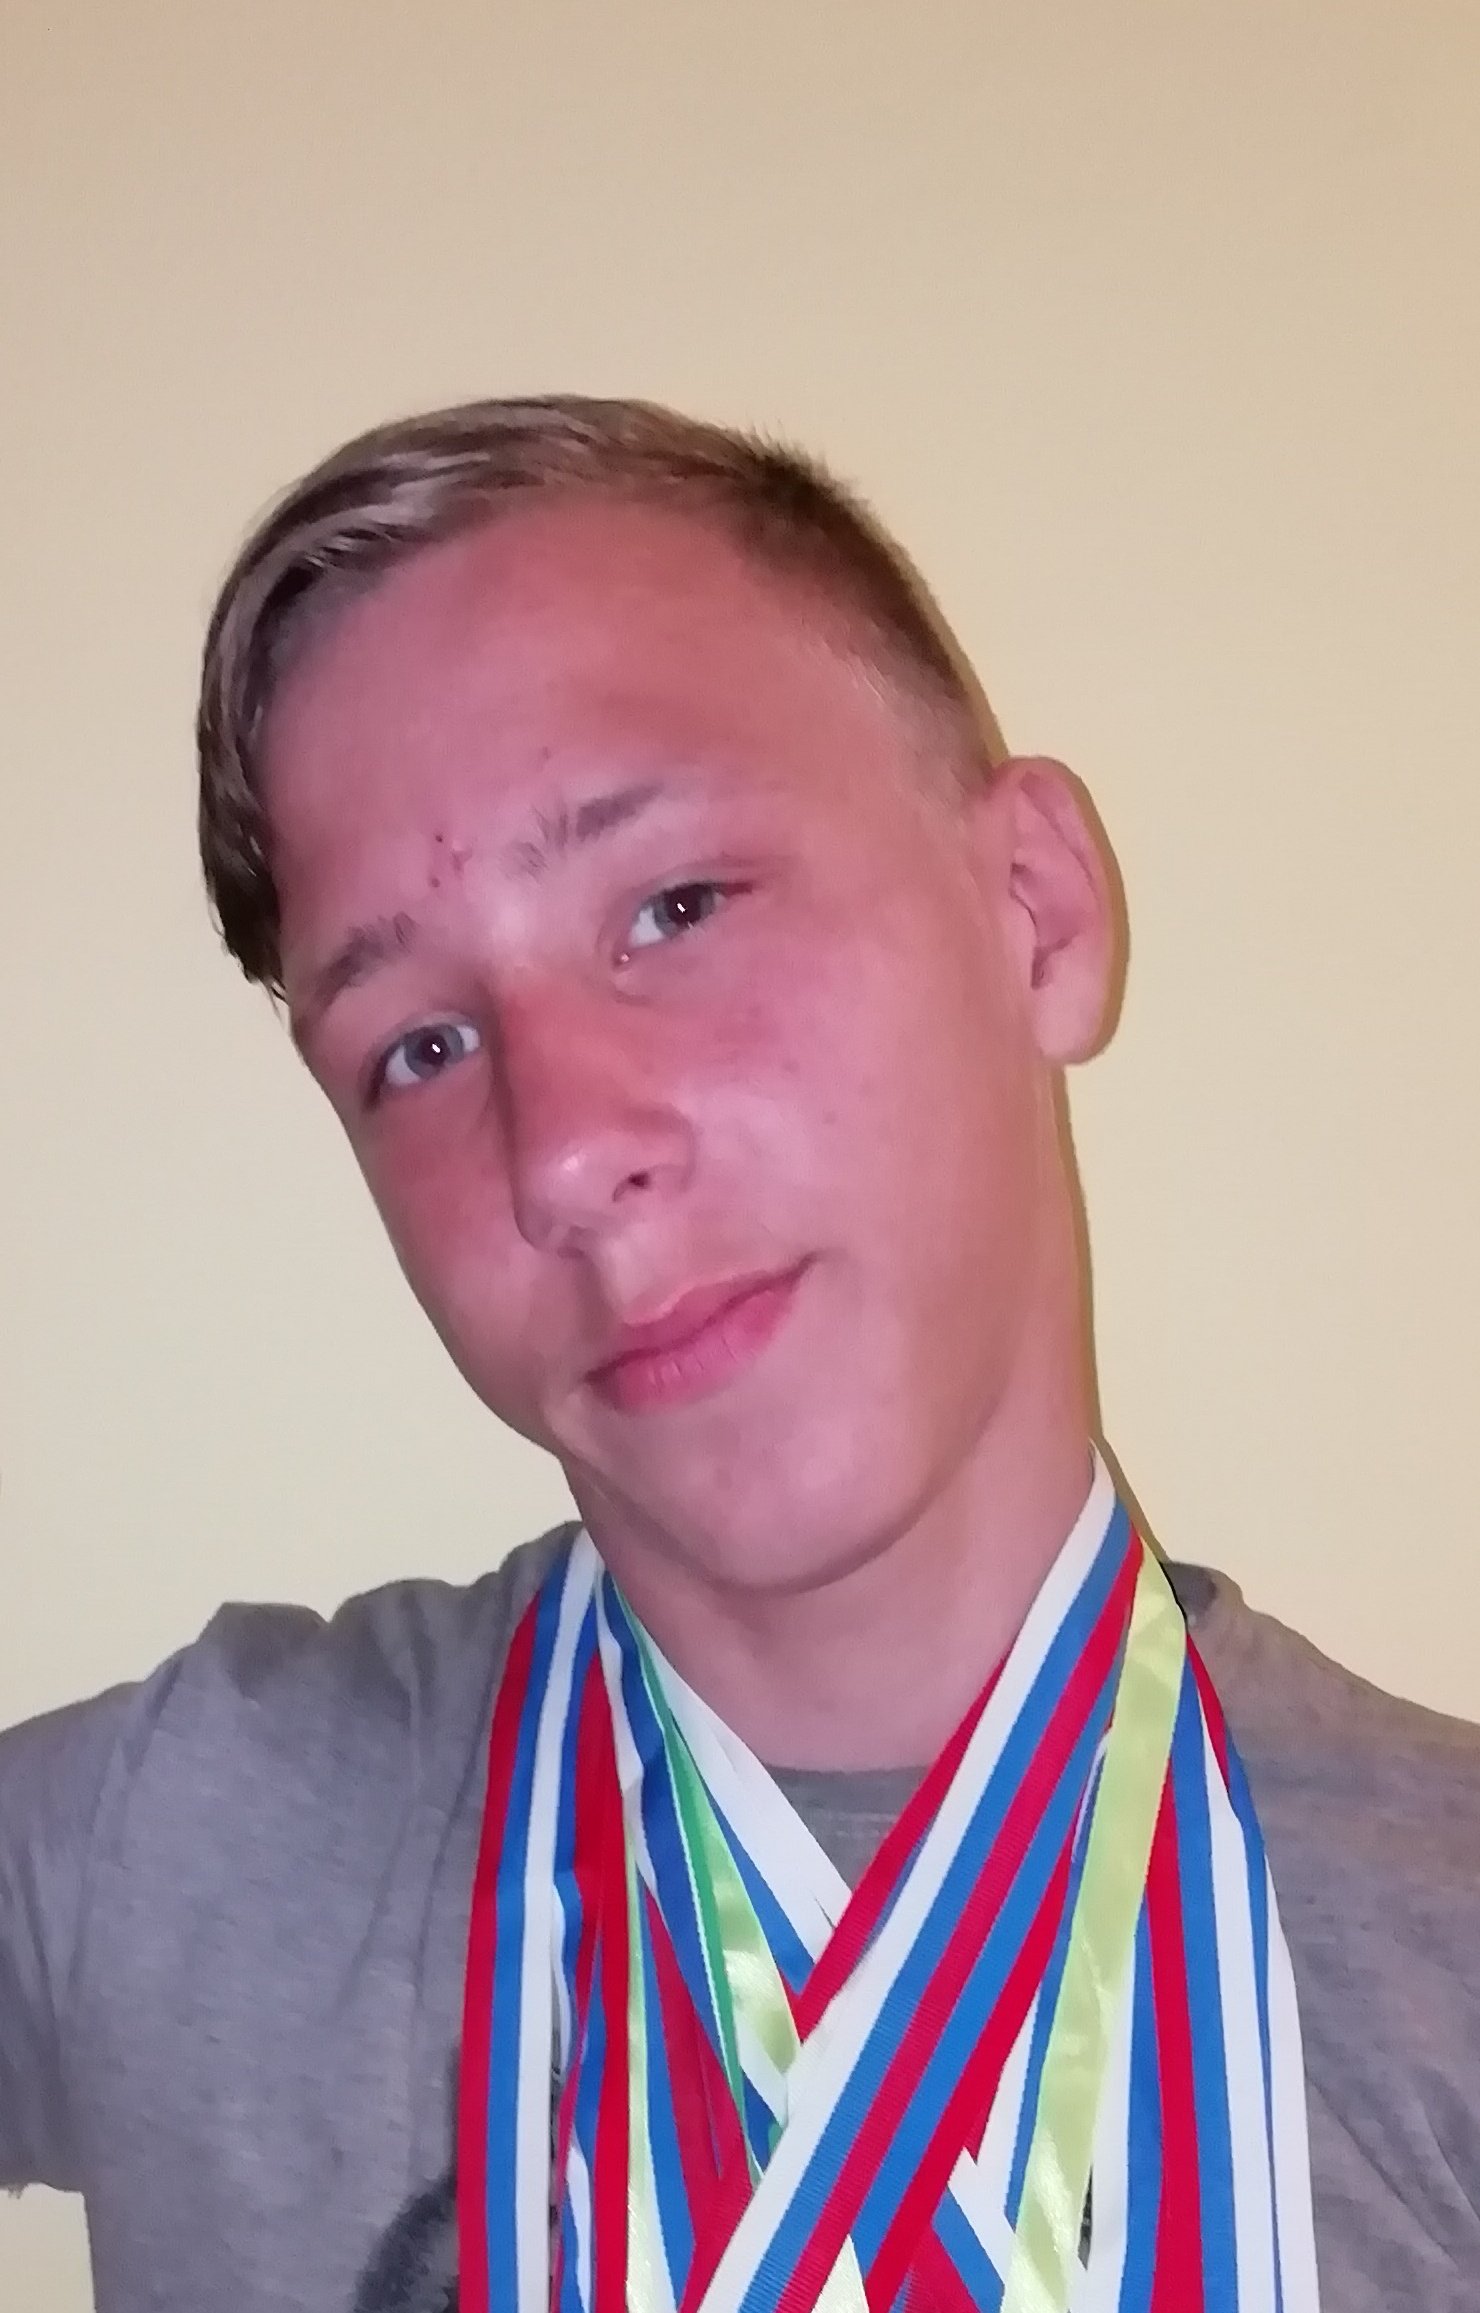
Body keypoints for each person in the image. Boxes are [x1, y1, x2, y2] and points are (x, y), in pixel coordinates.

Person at [2, 399, 1477, 2313]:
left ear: (1036, 912)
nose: (559, 1152)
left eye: (675, 906)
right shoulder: (176, 1853)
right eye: (418, 1047)